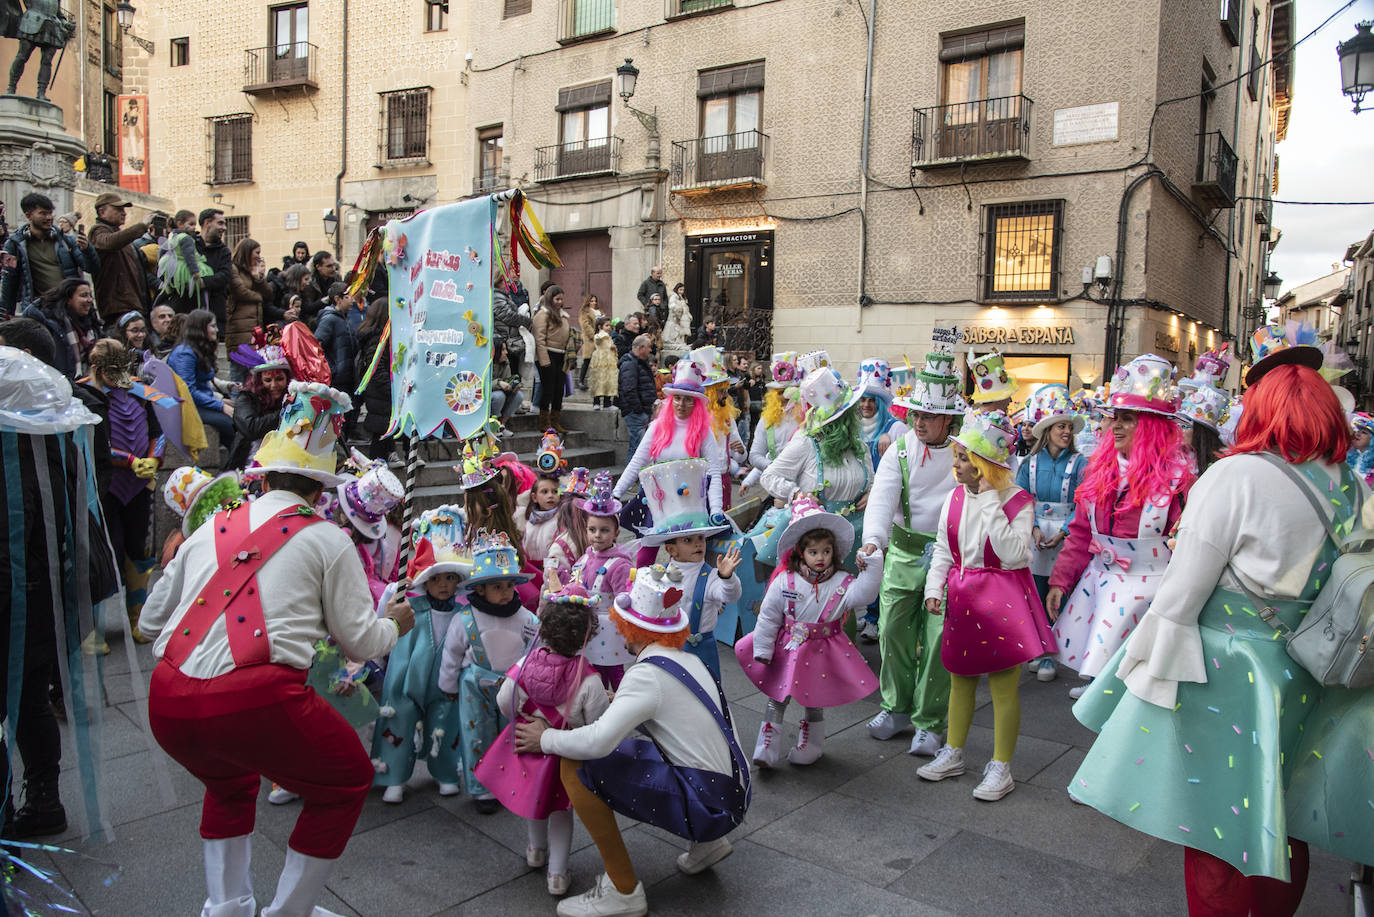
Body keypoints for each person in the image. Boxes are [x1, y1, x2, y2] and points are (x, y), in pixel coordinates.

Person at [1068, 328, 1374, 916]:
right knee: (1283, 816)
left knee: (1213, 823)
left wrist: (1137, 677)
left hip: (1230, 672)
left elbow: (1181, 595)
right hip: (1311, 670)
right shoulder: (1353, 485)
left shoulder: (1235, 477)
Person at [140, 379, 411, 917]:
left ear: (263, 476)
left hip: (167, 699)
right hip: (254, 699)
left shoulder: (211, 526)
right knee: (347, 779)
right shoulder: (327, 537)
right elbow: (360, 640)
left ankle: (227, 907)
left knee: (228, 783)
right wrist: (396, 623)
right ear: (320, 490)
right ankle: (290, 912)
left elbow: (151, 622)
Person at [514, 564, 750, 917]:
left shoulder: (647, 674)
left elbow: (596, 743)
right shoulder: (685, 660)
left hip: (710, 807)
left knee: (576, 764)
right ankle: (708, 845)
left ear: (632, 628)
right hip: (733, 792)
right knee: (645, 750)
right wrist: (618, 703)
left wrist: (545, 738)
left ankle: (623, 889)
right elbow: (679, 723)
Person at [0, 344, 113, 842]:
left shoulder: (29, 454)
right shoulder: (53, 444)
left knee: (23, 702)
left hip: (22, 595)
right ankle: (42, 796)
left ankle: (27, 799)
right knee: (28, 700)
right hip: (44, 593)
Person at [917, 410, 1056, 801]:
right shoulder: (954, 498)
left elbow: (1015, 555)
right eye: (958, 456)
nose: (956, 464)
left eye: (964, 458)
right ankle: (954, 752)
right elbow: (945, 548)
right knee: (960, 677)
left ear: (984, 466)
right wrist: (934, 588)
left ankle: (1001, 766)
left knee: (1002, 685)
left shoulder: (1018, 502)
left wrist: (991, 500)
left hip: (1003, 600)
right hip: (963, 595)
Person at [1047, 354, 1193, 698]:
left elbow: (1186, 546)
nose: (1116, 426)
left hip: (1150, 593)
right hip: (1100, 582)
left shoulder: (1177, 480)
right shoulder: (1100, 471)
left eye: (1128, 419)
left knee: (1137, 679)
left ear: (1153, 425)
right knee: (1105, 675)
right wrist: (1060, 580)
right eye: (1115, 418)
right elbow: (1082, 533)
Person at [860, 346, 964, 754]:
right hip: (903, 554)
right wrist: (874, 541)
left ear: (948, 418)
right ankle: (896, 705)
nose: (918, 422)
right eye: (915, 414)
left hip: (949, 558)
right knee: (891, 630)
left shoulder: (964, 454)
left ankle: (930, 719)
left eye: (928, 416)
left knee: (939, 639)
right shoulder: (900, 450)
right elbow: (883, 499)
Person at [478, 584, 609, 898]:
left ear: (545, 627)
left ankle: (536, 851)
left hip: (527, 743)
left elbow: (503, 700)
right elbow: (598, 721)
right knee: (561, 812)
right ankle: (557, 874)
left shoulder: (524, 664)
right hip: (565, 752)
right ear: (586, 635)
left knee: (533, 801)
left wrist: (526, 717)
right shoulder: (589, 679)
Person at [737, 495, 882, 768]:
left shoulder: (843, 581)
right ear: (800, 553)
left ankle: (812, 744)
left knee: (814, 697)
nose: (820, 558)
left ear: (834, 552)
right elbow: (769, 616)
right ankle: (766, 743)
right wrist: (764, 649)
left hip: (822, 650)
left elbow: (864, 594)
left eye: (826, 551)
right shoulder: (785, 580)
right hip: (789, 647)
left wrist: (873, 565)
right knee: (778, 695)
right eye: (813, 552)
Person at [371, 506, 472, 804]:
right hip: (406, 677)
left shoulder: (462, 611)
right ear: (425, 580)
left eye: (450, 578)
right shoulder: (406, 602)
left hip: (445, 679)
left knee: (446, 722)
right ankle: (393, 776)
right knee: (399, 718)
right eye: (436, 578)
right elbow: (383, 617)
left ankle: (445, 773)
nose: (443, 585)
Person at [436, 532, 539, 812]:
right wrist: (448, 686)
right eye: (496, 586)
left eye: (509, 585)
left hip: (514, 684)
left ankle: (510, 781)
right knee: (477, 734)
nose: (506, 592)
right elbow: (452, 654)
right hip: (474, 686)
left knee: (511, 735)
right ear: (479, 589)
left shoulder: (526, 618)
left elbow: (537, 650)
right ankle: (482, 789)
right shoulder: (464, 618)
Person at [84, 339, 165, 643]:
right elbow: (93, 443)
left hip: (139, 486)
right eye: (113, 371)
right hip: (104, 486)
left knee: (138, 551)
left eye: (124, 370)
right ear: (99, 369)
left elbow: (158, 431)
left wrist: (153, 459)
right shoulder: (84, 395)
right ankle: (92, 629)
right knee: (104, 553)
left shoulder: (140, 389)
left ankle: (137, 618)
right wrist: (129, 460)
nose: (121, 378)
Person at [762, 355, 873, 568]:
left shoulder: (859, 446)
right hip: (817, 546)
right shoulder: (806, 442)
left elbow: (873, 481)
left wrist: (871, 494)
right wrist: (797, 494)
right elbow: (769, 476)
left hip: (856, 537)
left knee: (850, 597)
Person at [1012, 384, 1086, 684]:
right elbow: (1019, 498)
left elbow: (1084, 502)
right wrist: (1032, 527)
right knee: (1036, 592)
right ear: (1047, 430)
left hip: (1065, 537)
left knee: (1062, 593)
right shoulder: (1029, 463)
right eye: (1060, 427)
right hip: (1037, 534)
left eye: (1069, 427)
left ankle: (1055, 650)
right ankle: (1040, 650)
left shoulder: (1081, 463)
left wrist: (1066, 531)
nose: (1066, 432)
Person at [635, 458, 736, 679]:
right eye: (688, 540)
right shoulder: (659, 575)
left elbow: (728, 594)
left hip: (700, 649)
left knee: (704, 699)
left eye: (701, 538)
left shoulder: (709, 576)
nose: (699, 544)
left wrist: (726, 577)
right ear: (671, 550)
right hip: (668, 646)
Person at [614, 360, 727, 522]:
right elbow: (637, 462)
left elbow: (713, 472)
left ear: (695, 403)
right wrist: (616, 494)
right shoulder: (656, 427)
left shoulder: (704, 431)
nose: (681, 404)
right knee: (647, 546)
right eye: (677, 398)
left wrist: (716, 508)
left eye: (688, 399)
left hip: (691, 504)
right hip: (659, 502)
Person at [561, 472, 637, 688]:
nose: (597, 535)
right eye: (592, 530)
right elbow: (579, 581)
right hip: (589, 625)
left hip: (610, 626)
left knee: (615, 671)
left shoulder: (620, 564)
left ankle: (624, 705)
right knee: (593, 671)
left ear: (616, 533)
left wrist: (624, 600)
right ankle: (600, 704)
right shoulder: (587, 555)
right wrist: (563, 576)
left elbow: (626, 594)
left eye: (604, 530)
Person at [1, 192, 99, 318]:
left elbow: (91, 268)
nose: (49, 217)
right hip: (38, 311)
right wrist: (5, 315)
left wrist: (87, 249)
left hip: (68, 308)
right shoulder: (15, 244)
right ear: (28, 215)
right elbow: (10, 281)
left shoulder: (66, 241)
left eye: (50, 213)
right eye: (43, 213)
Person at [168, 309, 235, 446]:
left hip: (200, 404)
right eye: (212, 326)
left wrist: (221, 401)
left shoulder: (196, 349)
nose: (216, 330)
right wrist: (220, 406)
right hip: (187, 409)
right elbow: (188, 391)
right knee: (233, 425)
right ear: (200, 328)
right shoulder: (184, 354)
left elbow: (202, 387)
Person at [89, 191, 157, 322]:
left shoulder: (121, 237)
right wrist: (142, 226)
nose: (124, 213)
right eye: (118, 209)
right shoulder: (98, 231)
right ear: (102, 211)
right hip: (117, 306)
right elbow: (109, 242)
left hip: (131, 304)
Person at [227, 332, 292, 468]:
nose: (274, 385)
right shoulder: (247, 397)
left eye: (279, 379)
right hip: (249, 463)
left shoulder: (295, 397)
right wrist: (286, 411)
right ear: (260, 381)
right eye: (268, 380)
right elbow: (251, 429)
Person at [21, 276, 101, 379]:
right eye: (83, 295)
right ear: (68, 299)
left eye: (90, 296)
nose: (89, 300)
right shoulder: (52, 325)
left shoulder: (92, 324)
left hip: (89, 380)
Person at [1176, 346, 1235, 476]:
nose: (1179, 430)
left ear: (1200, 433)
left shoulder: (1221, 466)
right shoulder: (1174, 458)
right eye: (1180, 424)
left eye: (1185, 426)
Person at [225, 238, 272, 382]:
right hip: (238, 328)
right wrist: (258, 297)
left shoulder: (251, 272)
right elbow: (240, 292)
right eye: (256, 252)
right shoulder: (233, 269)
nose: (259, 256)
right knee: (238, 371)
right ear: (247, 252)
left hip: (252, 328)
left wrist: (258, 278)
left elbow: (268, 293)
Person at [533, 284, 571, 434]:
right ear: (550, 299)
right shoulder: (542, 315)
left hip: (561, 354)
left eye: (562, 299)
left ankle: (556, 421)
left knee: (558, 389)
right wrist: (544, 361)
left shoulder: (562, 314)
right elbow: (539, 338)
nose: (560, 302)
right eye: (557, 299)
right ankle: (544, 421)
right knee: (548, 389)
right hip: (548, 354)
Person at [314, 282, 360, 396]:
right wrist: (332, 369)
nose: (352, 300)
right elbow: (317, 346)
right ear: (337, 299)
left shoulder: (345, 319)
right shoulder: (329, 319)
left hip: (348, 377)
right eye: (347, 297)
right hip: (337, 379)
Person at [617, 333, 656, 456]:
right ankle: (633, 476)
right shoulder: (630, 363)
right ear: (641, 348)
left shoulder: (638, 362)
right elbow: (629, 389)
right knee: (638, 450)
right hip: (637, 413)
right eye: (649, 347)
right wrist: (639, 410)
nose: (650, 350)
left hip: (642, 411)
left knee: (641, 449)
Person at [195, 209, 233, 328]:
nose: (224, 228)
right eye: (220, 223)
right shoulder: (190, 246)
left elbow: (225, 276)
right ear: (207, 223)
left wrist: (203, 282)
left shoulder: (224, 251)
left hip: (216, 315)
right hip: (192, 313)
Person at [492, 275, 532, 380]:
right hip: (503, 339)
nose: (509, 284)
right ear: (499, 282)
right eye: (506, 282)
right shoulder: (496, 296)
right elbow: (508, 316)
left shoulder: (503, 295)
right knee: (510, 374)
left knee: (514, 374)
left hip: (508, 339)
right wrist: (526, 321)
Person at [490, 338, 524, 434]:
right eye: (503, 350)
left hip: (501, 393)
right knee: (499, 396)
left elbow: (507, 380)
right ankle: (493, 425)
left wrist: (513, 386)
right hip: (486, 397)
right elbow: (482, 384)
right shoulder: (486, 362)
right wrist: (499, 383)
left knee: (519, 396)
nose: (506, 353)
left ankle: (502, 425)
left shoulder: (505, 362)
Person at [588, 317, 617, 409]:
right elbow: (598, 340)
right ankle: (596, 402)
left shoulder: (609, 337)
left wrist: (613, 348)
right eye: (606, 325)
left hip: (609, 362)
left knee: (608, 382)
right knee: (598, 381)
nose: (609, 328)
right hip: (600, 361)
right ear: (600, 327)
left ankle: (607, 403)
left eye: (609, 325)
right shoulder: (599, 335)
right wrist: (603, 334)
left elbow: (611, 347)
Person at [301, 251, 338, 320]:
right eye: (329, 266)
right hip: (316, 320)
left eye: (334, 265)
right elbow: (308, 308)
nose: (333, 269)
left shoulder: (336, 277)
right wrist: (326, 299)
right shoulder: (309, 283)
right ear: (318, 267)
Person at [576, 294, 599, 391]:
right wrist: (593, 335)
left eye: (595, 301)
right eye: (592, 301)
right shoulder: (584, 312)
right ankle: (580, 381)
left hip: (600, 338)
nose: (594, 303)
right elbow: (585, 325)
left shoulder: (598, 311)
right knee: (587, 360)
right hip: (590, 339)